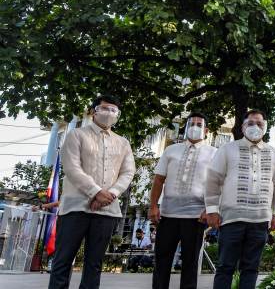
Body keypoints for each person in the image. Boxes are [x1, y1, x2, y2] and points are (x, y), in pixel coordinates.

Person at [49, 95, 136, 289]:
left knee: (94, 264)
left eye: (114, 110)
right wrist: (96, 192)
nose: (109, 113)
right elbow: (72, 168)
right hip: (75, 207)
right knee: (62, 261)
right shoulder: (76, 135)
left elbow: (128, 172)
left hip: (106, 211)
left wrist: (110, 194)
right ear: (93, 111)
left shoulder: (123, 143)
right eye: (105, 108)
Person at [205, 110, 275, 289]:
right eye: (250, 123)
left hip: (260, 221)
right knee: (225, 267)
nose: (255, 127)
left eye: (259, 124)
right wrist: (212, 210)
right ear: (242, 127)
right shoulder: (227, 149)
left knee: (251, 268)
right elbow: (213, 180)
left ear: (265, 127)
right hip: (231, 219)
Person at [149, 112, 217, 289]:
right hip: (167, 214)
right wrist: (153, 206)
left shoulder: (214, 153)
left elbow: (219, 184)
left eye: (199, 125)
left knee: (190, 263)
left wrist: (210, 209)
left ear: (207, 130)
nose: (195, 127)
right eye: (191, 124)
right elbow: (158, 179)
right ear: (185, 128)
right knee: (161, 261)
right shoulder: (171, 150)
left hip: (196, 217)